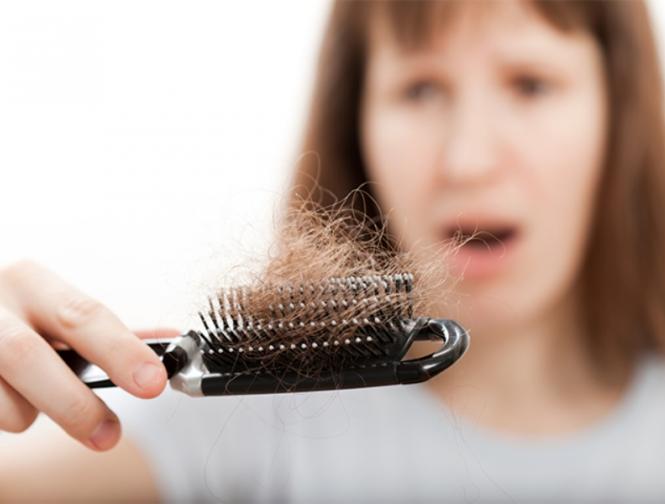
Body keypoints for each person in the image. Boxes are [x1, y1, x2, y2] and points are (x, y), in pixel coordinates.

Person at [2, 0, 665, 502]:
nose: (468, 158)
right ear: (357, 128)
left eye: (530, 83)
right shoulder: (246, 428)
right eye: (419, 88)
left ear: (618, 113)